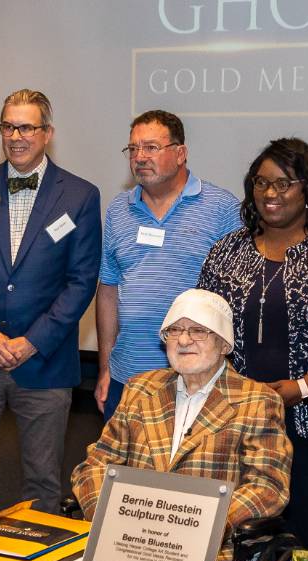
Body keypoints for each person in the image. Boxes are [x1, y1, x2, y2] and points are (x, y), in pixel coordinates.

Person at [197, 137, 308, 555]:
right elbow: (206, 321)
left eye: (283, 184)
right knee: (243, 525)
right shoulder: (229, 250)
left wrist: (302, 387)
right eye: (261, 183)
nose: (270, 194)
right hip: (241, 412)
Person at [0, 89, 101, 515]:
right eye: (8, 126)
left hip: (43, 363)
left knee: (42, 483)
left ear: (47, 133)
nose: (16, 136)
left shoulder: (80, 197)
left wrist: (32, 341)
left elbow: (80, 282)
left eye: (26, 126)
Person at [71, 289, 291, 556]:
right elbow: (94, 466)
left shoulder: (257, 401)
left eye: (198, 330)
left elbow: (268, 487)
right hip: (128, 543)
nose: (184, 340)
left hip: (208, 552)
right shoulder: (140, 390)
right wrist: (108, 516)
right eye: (174, 331)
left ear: (224, 344)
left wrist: (203, 525)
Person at [95, 110, 241, 422]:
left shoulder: (222, 209)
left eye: (151, 148)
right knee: (121, 469)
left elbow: (238, 301)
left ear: (180, 153)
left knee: (186, 471)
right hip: (126, 378)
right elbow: (108, 290)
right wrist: (104, 369)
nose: (139, 157)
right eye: (133, 149)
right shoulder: (118, 209)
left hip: (196, 380)